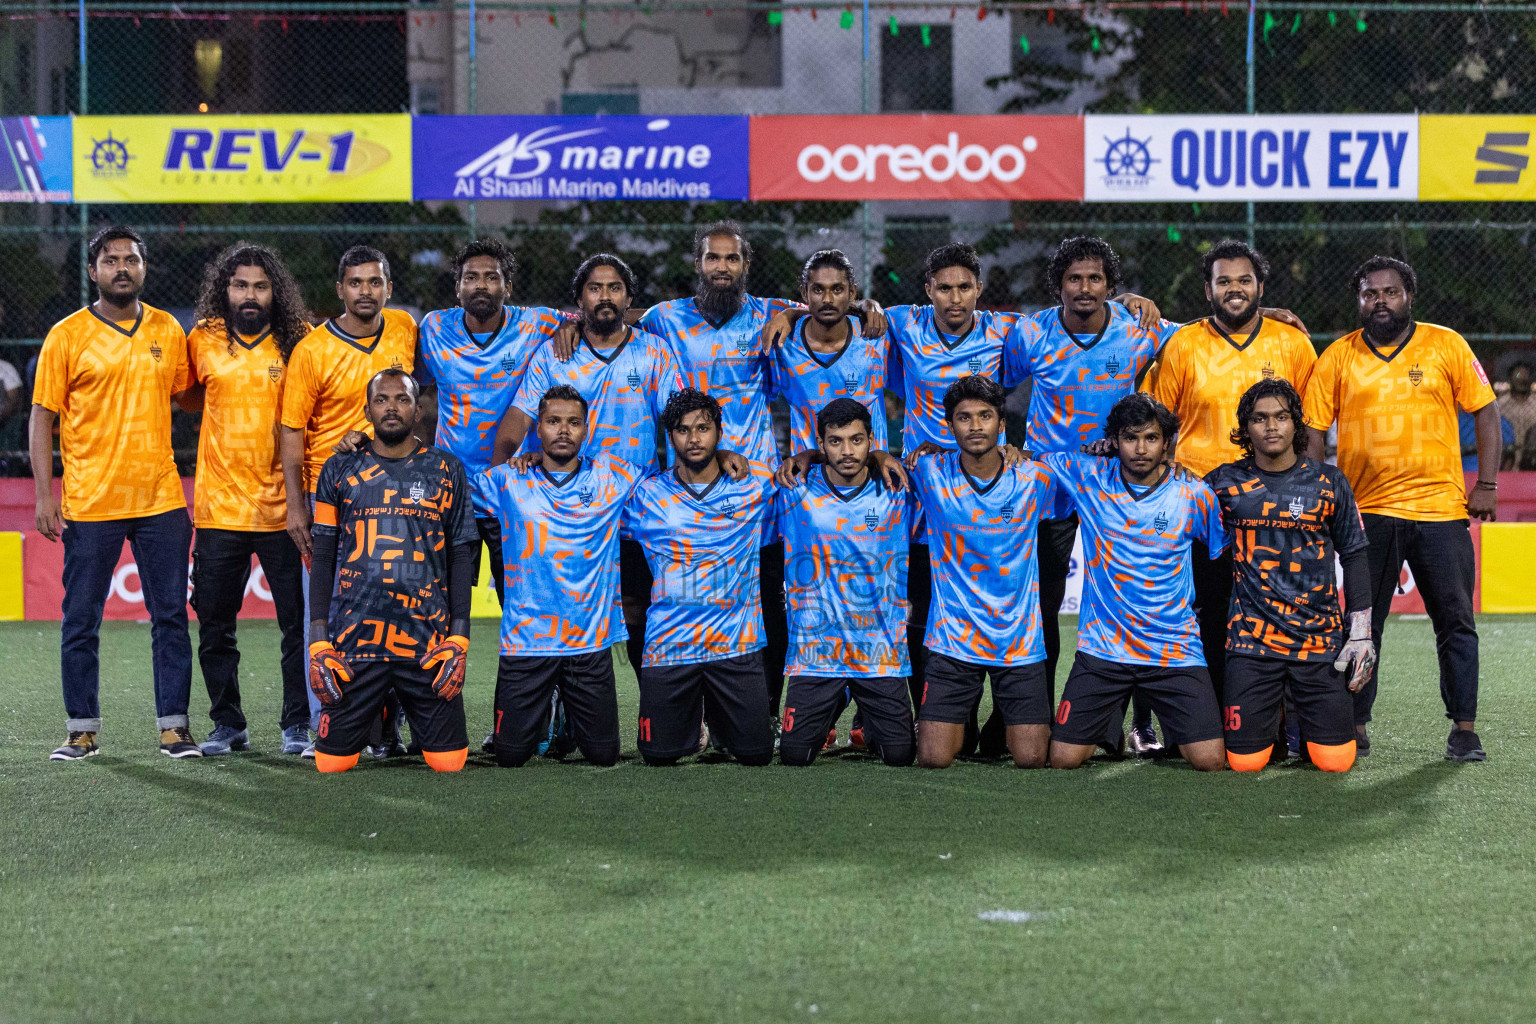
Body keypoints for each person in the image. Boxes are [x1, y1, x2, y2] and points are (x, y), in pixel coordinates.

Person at [1303, 256, 1497, 762]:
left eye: (1390, 291)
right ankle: (1356, 723)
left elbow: (1486, 408)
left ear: (1409, 295)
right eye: (1370, 293)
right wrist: (1319, 492)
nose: (1380, 301)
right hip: (1367, 513)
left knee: (1455, 620)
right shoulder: (1338, 356)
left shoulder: (1446, 343)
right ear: (1359, 300)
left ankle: (1464, 728)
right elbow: (1313, 432)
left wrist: (1489, 483)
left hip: (1440, 510)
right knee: (1363, 624)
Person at [1001, 236, 1177, 755]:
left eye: (1095, 278)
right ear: (1059, 285)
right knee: (1043, 606)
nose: (1084, 287)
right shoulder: (1030, 333)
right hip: (1048, 489)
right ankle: (1042, 714)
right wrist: (1006, 447)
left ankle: (1139, 723)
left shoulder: (1139, 330)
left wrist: (1273, 312)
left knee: (1133, 602)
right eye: (1074, 278)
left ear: (1110, 286)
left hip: (1119, 489)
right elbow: (987, 384)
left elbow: (1201, 338)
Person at [31, 226, 201, 760]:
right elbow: (42, 417)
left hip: (160, 500)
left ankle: (174, 728)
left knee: (171, 617)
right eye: (110, 260)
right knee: (80, 620)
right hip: (90, 501)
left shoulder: (169, 329)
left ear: (143, 269)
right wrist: (43, 495)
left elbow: (192, 397)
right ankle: (81, 729)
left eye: (130, 259)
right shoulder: (67, 334)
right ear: (93, 271)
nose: (121, 267)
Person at [494, 253, 685, 673]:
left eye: (614, 288)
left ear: (628, 297)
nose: (605, 296)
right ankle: (557, 719)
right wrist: (506, 477)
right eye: (595, 288)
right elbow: (513, 427)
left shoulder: (655, 353)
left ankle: (657, 710)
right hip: (566, 511)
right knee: (561, 608)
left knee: (640, 605)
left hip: (636, 506)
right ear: (579, 299)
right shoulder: (553, 355)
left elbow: (680, 421)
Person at [1146, 239, 1318, 705]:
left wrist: (1310, 484)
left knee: (1279, 609)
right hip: (1203, 503)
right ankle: (1204, 716)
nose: (1235, 289)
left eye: (1244, 280)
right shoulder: (1184, 343)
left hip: (1276, 500)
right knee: (1206, 610)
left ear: (1261, 286)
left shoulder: (1293, 342)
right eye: (1224, 281)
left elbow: (1313, 420)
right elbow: (1155, 421)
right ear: (1208, 290)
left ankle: (1279, 719)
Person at [1040, 394, 1228, 772]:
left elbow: (1217, 561)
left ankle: (1146, 726)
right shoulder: (1088, 476)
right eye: (1130, 438)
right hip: (1104, 650)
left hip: (1173, 649)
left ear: (1167, 443)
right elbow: (1035, 460)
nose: (1141, 449)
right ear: (1114, 441)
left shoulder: (1193, 495)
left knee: (1210, 761)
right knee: (1062, 759)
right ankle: (1107, 731)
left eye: (1152, 438)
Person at [279, 245, 418, 753]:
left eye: (375, 282)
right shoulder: (313, 350)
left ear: (387, 286)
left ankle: (387, 729)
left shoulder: (404, 328)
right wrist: (297, 506)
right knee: (330, 616)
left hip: (397, 499)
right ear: (340, 289)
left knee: (397, 610)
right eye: (356, 283)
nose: (366, 292)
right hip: (334, 504)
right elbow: (291, 430)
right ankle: (330, 727)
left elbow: (413, 398)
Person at [306, 368, 476, 774]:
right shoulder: (338, 469)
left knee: (449, 763)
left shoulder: (446, 469)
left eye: (402, 399)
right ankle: (381, 713)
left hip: (426, 644)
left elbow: (461, 557)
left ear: (418, 410)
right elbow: (324, 557)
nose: (392, 408)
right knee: (330, 765)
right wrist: (318, 642)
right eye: (382, 400)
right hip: (355, 642)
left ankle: (393, 709)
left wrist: (459, 638)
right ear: (367, 410)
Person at [179, 243, 313, 756]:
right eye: (240, 285)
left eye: (260, 285)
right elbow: (190, 397)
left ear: (274, 291)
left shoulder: (297, 341)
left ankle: (296, 724)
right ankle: (227, 724)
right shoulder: (205, 338)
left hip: (285, 509)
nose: (250, 295)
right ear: (225, 290)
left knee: (296, 626)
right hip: (218, 510)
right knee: (214, 623)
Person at [1205, 379, 1376, 772]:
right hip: (1250, 643)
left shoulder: (1330, 482)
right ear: (1245, 428)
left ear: (1296, 424)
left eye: (1281, 417)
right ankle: (1277, 722)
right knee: (1245, 763)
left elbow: (1354, 553)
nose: (1271, 426)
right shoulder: (1222, 483)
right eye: (1260, 418)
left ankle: (1295, 719)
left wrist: (1361, 631)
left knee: (1335, 762)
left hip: (1318, 641)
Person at [476, 385, 638, 767]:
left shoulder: (614, 478)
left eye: (573, 422)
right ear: (538, 428)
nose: (563, 430)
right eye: (552, 421)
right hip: (527, 642)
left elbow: (680, 477)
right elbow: (446, 490)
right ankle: (549, 707)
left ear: (586, 428)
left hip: (588, 641)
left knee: (603, 756)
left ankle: (565, 711)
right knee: (510, 756)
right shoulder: (506, 481)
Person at [909, 375, 1060, 770]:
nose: (975, 426)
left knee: (1031, 758)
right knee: (933, 757)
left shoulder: (1036, 476)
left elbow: (1099, 472)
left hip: (1019, 640)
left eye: (985, 416)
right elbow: (867, 463)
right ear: (949, 425)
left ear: (1002, 424)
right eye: (964, 418)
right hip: (952, 638)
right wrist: (811, 456)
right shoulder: (928, 472)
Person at [623, 388, 776, 767]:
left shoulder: (753, 486)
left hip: (735, 645)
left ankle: (725, 722)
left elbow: (817, 477)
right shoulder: (645, 495)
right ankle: (692, 726)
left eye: (703, 428)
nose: (693, 439)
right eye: (682, 430)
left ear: (719, 432)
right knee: (658, 755)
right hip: (670, 646)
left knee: (756, 754)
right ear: (669, 436)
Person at [777, 398, 914, 767]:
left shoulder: (900, 489)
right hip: (817, 654)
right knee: (794, 756)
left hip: (878, 653)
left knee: (900, 755)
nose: (847, 450)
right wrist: (804, 456)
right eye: (835, 441)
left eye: (857, 440)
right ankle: (833, 701)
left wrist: (884, 457)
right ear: (820, 445)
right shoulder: (792, 489)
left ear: (872, 439)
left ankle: (867, 719)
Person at [770, 249, 892, 457]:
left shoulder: (878, 336)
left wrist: (867, 304)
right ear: (804, 293)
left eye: (837, 290)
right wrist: (790, 313)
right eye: (818, 290)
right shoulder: (783, 343)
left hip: (871, 478)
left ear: (852, 293)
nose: (828, 299)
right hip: (809, 479)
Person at [1497, 362, 1536, 469]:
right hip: (1505, 461)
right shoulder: (1500, 404)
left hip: (1531, 460)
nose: (1522, 379)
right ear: (1511, 378)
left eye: (1525, 375)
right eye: (1518, 375)